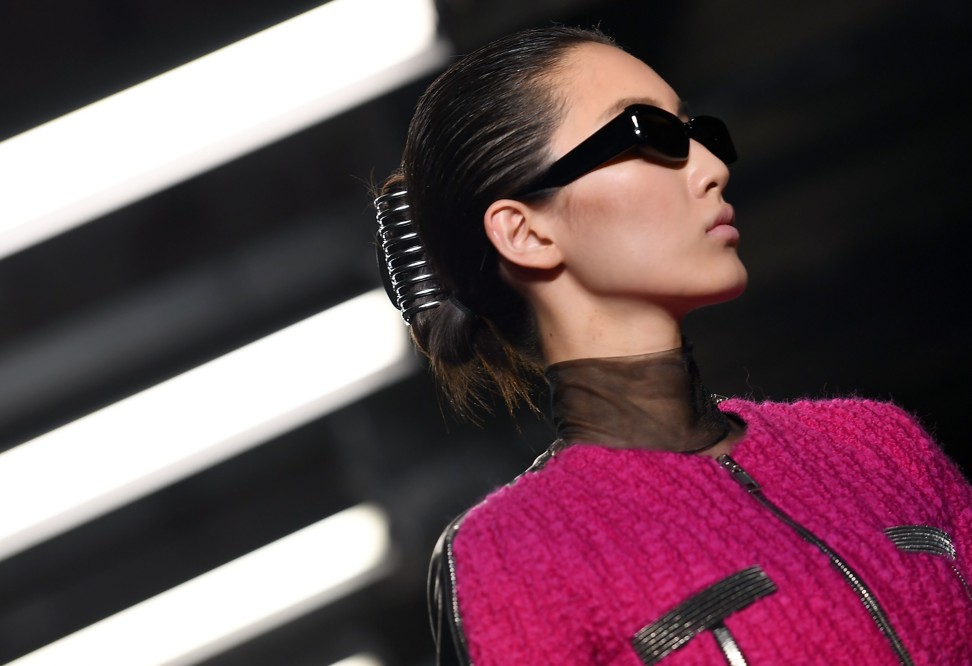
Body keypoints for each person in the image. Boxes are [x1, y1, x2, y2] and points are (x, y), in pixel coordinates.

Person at [374, 26, 972, 665]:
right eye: (645, 134)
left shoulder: (877, 445)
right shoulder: (512, 555)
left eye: (697, 134)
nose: (714, 168)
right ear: (525, 232)